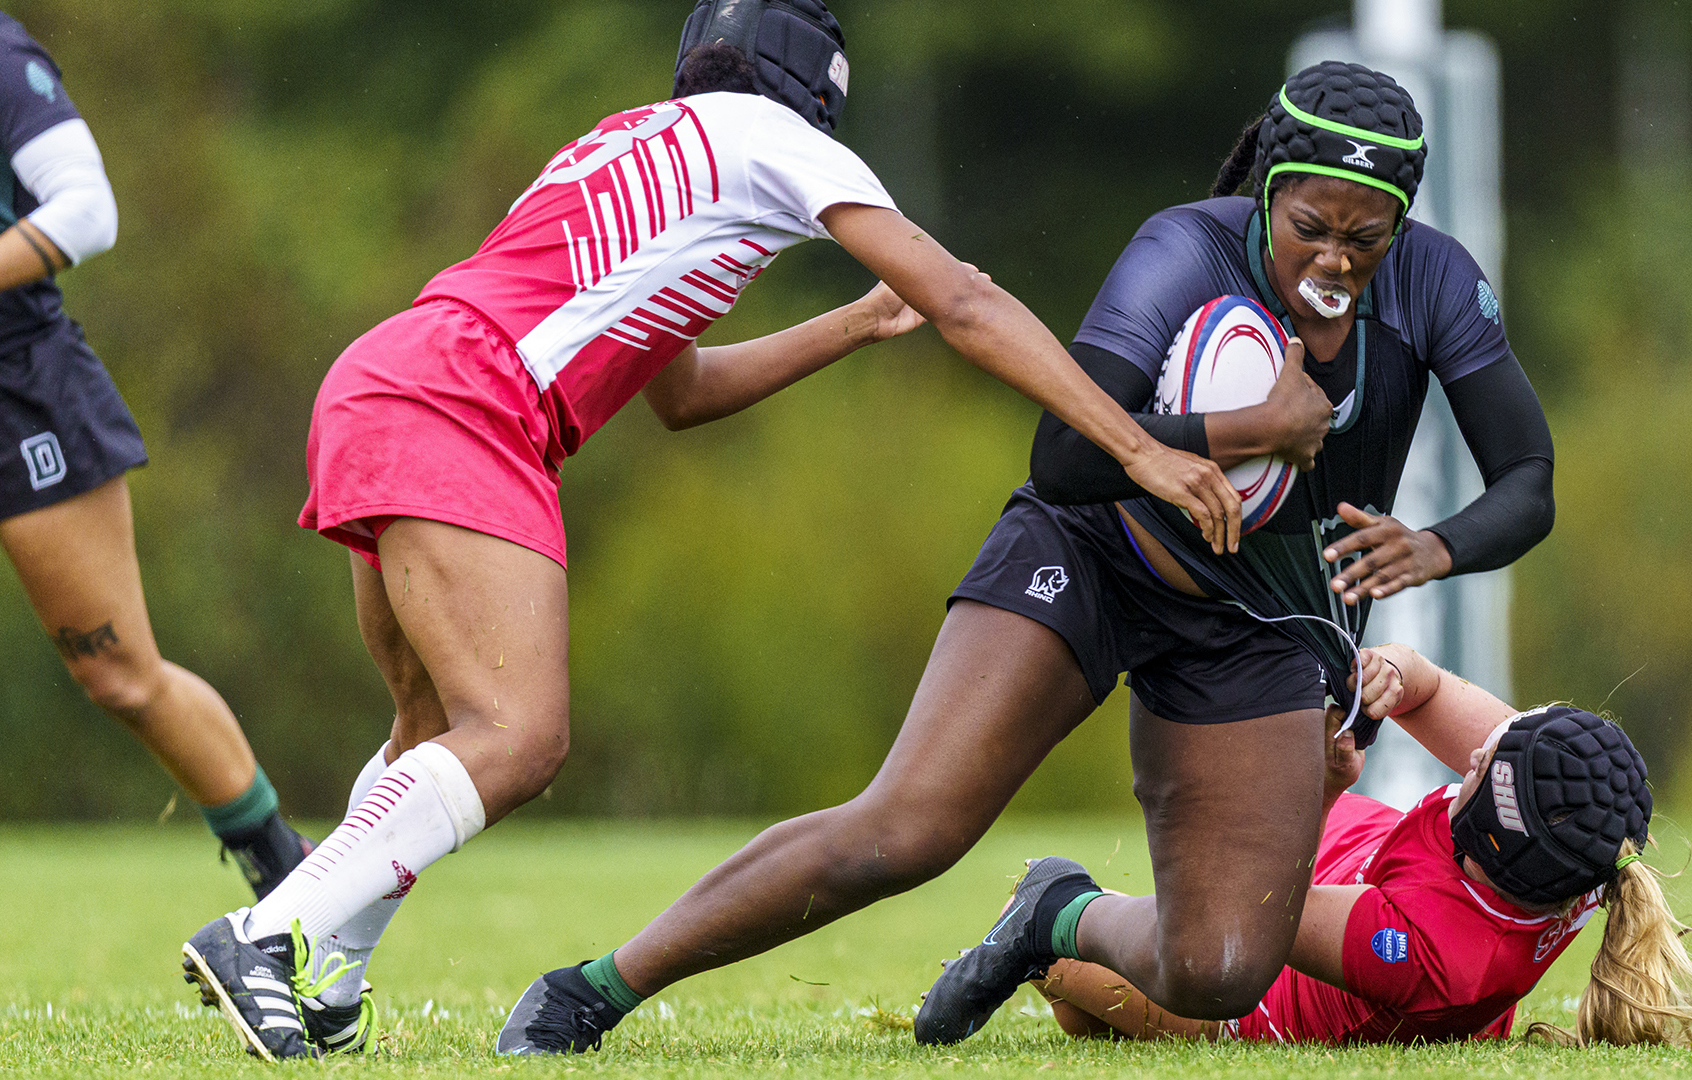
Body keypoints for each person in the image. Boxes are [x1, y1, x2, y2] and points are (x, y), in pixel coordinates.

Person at [178, 0, 1239, 1062]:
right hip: (472, 404)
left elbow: (678, 390)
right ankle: (269, 934)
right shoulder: (773, 140)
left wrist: (860, 320)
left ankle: (329, 981)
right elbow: (963, 301)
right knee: (518, 736)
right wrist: (1137, 448)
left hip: (393, 375)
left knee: (431, 729)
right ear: (820, 94)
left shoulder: (629, 141)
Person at [492, 62, 1554, 1056]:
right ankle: (593, 987)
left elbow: (1528, 482)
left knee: (1222, 969)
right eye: (1311, 229)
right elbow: (1063, 460)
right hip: (1094, 552)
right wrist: (1244, 430)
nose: (1334, 262)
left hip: (1256, 627)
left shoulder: (1434, 286)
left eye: (1364, 242)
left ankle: (1060, 911)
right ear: (1267, 190)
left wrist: (1436, 544)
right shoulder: (1184, 249)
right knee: (906, 832)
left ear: (1401, 228)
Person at [1023, 643, 1692, 1047]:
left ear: (1488, 844)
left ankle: (1054, 907)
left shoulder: (1440, 961)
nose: (1471, 756)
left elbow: (1259, 916)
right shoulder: (1578, 842)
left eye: (1481, 767)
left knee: (1068, 982)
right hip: (1363, 868)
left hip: (1259, 984)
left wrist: (1323, 786)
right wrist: (1398, 676)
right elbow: (1431, 692)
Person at [0, 15, 309, 898]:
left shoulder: (3, 62)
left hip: (20, 389)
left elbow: (89, 212)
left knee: (121, 677)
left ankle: (292, 891)